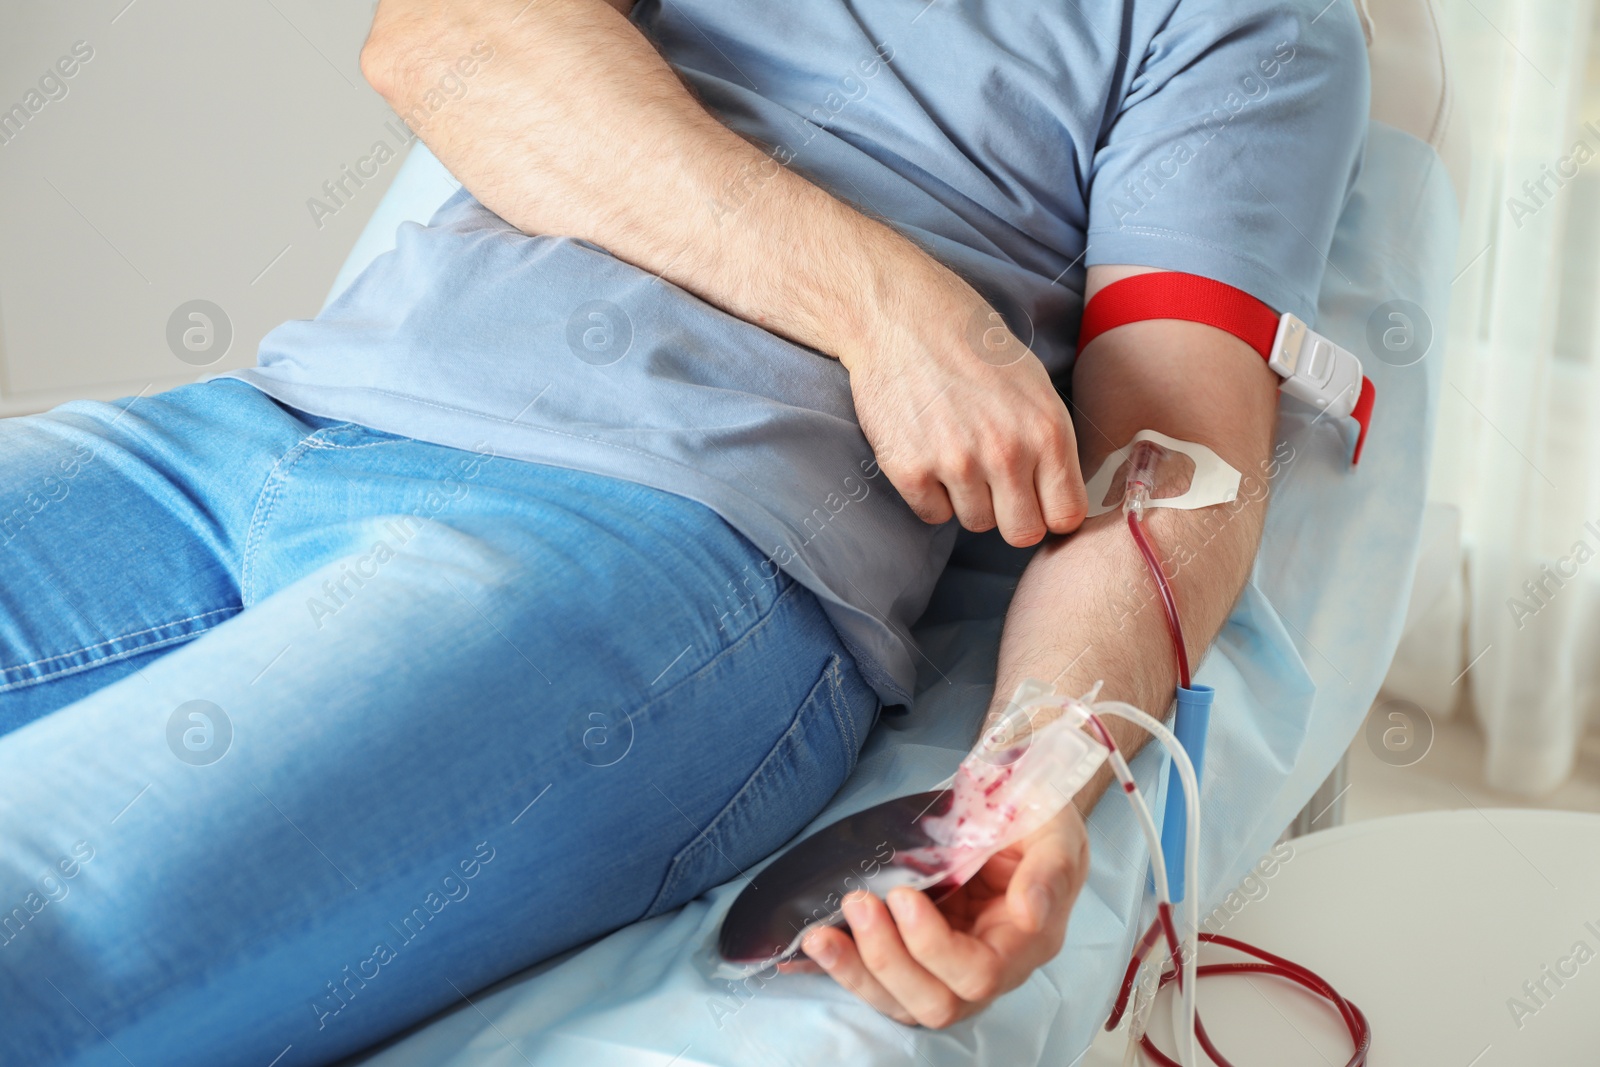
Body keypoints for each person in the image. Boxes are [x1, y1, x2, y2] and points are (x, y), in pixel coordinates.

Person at [0, 0, 1367, 1063]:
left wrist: (1029, 782)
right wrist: (895, 312)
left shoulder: (1245, 27)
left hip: (650, 549)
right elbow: (444, 41)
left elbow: (1172, 470)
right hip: (262, 424)